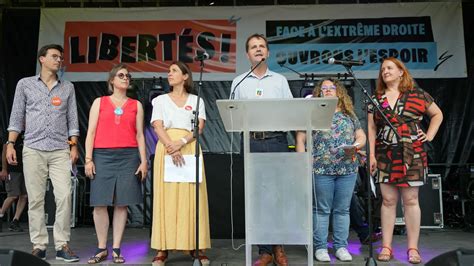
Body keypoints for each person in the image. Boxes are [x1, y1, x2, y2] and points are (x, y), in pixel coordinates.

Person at [5, 44, 80, 262]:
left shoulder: (68, 87)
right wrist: (10, 143)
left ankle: (62, 244)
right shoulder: (25, 84)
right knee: (35, 199)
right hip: (33, 148)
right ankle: (39, 245)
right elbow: (17, 116)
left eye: (61, 57)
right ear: (42, 59)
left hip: (59, 150)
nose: (59, 60)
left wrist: (73, 146)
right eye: (54, 56)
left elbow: (73, 120)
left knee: (65, 195)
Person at [368, 57, 443, 264]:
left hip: (413, 152)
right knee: (388, 201)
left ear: (402, 72)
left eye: (390, 68)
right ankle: (386, 246)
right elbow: (372, 128)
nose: (385, 71)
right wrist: (372, 155)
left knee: (410, 201)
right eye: (383, 69)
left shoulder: (418, 94)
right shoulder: (376, 97)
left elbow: (437, 114)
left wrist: (429, 135)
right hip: (385, 153)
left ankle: (412, 248)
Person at [231, 33, 293, 266]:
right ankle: (264, 251)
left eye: (262, 46)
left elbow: (290, 113)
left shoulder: (280, 81)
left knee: (277, 197)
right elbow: (232, 115)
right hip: (252, 142)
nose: (258, 50)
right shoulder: (239, 82)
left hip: (277, 140)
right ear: (247, 54)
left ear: (267, 53)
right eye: (253, 47)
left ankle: (278, 247)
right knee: (257, 197)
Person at [296, 78, 366, 262]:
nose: (327, 90)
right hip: (321, 169)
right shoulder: (312, 112)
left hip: (347, 168)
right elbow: (300, 138)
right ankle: (320, 248)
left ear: (339, 92)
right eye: (324, 88)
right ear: (319, 92)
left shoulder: (349, 115)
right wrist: (303, 160)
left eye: (331, 88)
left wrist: (356, 146)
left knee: (342, 210)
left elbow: (361, 136)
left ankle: (341, 246)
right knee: (321, 210)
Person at [84, 64, 147, 264]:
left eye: (128, 76)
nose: (125, 78)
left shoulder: (136, 104)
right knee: (99, 203)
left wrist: (144, 161)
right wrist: (88, 158)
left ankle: (117, 248)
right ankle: (102, 248)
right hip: (102, 155)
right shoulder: (99, 102)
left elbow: (140, 134)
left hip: (128, 156)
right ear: (112, 80)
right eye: (121, 75)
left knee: (122, 203)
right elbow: (91, 132)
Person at [150, 61, 211, 265]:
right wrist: (170, 146)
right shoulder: (159, 100)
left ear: (185, 76)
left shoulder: (196, 100)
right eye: (169, 71)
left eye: (174, 70)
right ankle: (162, 248)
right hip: (166, 148)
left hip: (189, 147)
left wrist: (181, 143)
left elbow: (199, 128)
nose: (170, 74)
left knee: (192, 196)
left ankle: (196, 246)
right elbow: (157, 126)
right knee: (166, 198)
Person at [0, 133, 28, 232]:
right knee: (13, 195)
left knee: (24, 195)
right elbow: (4, 151)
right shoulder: (12, 133)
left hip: (26, 169)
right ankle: (1, 214)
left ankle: (15, 221)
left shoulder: (30, 132)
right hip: (13, 169)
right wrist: (4, 169)